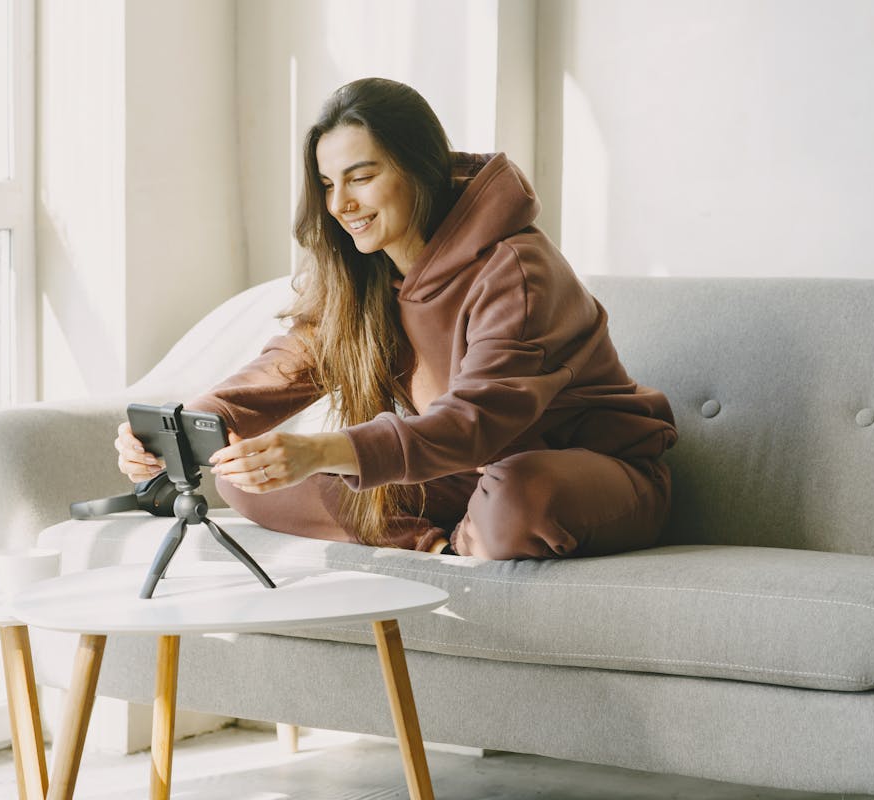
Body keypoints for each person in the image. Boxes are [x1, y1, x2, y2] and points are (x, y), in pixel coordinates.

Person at [115, 77, 677, 560]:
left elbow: (475, 421)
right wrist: (182, 428)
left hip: (585, 472)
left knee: (517, 495)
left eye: (360, 177)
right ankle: (441, 544)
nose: (339, 205)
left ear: (418, 167)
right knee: (248, 480)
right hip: (462, 475)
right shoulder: (365, 275)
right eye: (329, 184)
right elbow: (287, 367)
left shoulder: (517, 269)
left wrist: (323, 450)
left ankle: (470, 532)